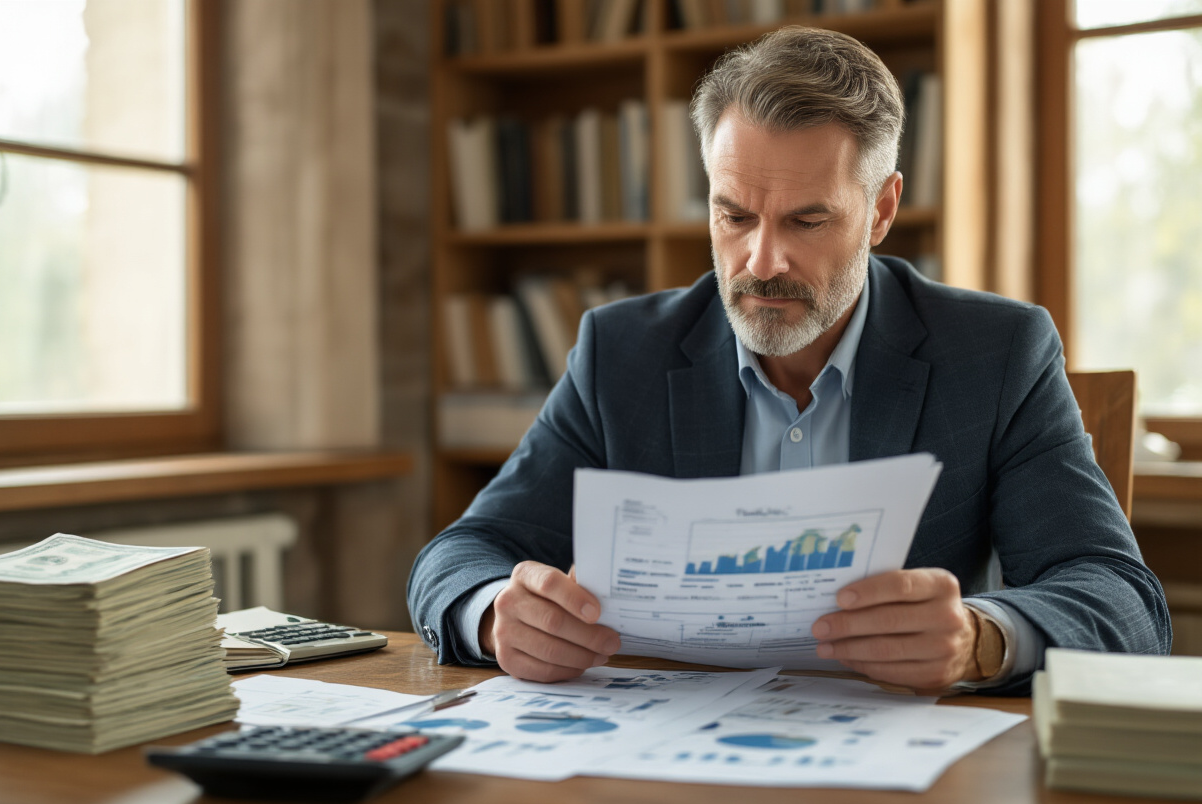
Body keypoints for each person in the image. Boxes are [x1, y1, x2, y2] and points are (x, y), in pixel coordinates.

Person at [408, 26, 1171, 695]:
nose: (761, 261)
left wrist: (980, 639)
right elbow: (463, 554)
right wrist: (494, 614)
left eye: (807, 220)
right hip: (666, 756)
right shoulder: (621, 352)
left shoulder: (997, 355)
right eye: (734, 215)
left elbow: (1121, 599)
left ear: (881, 210)